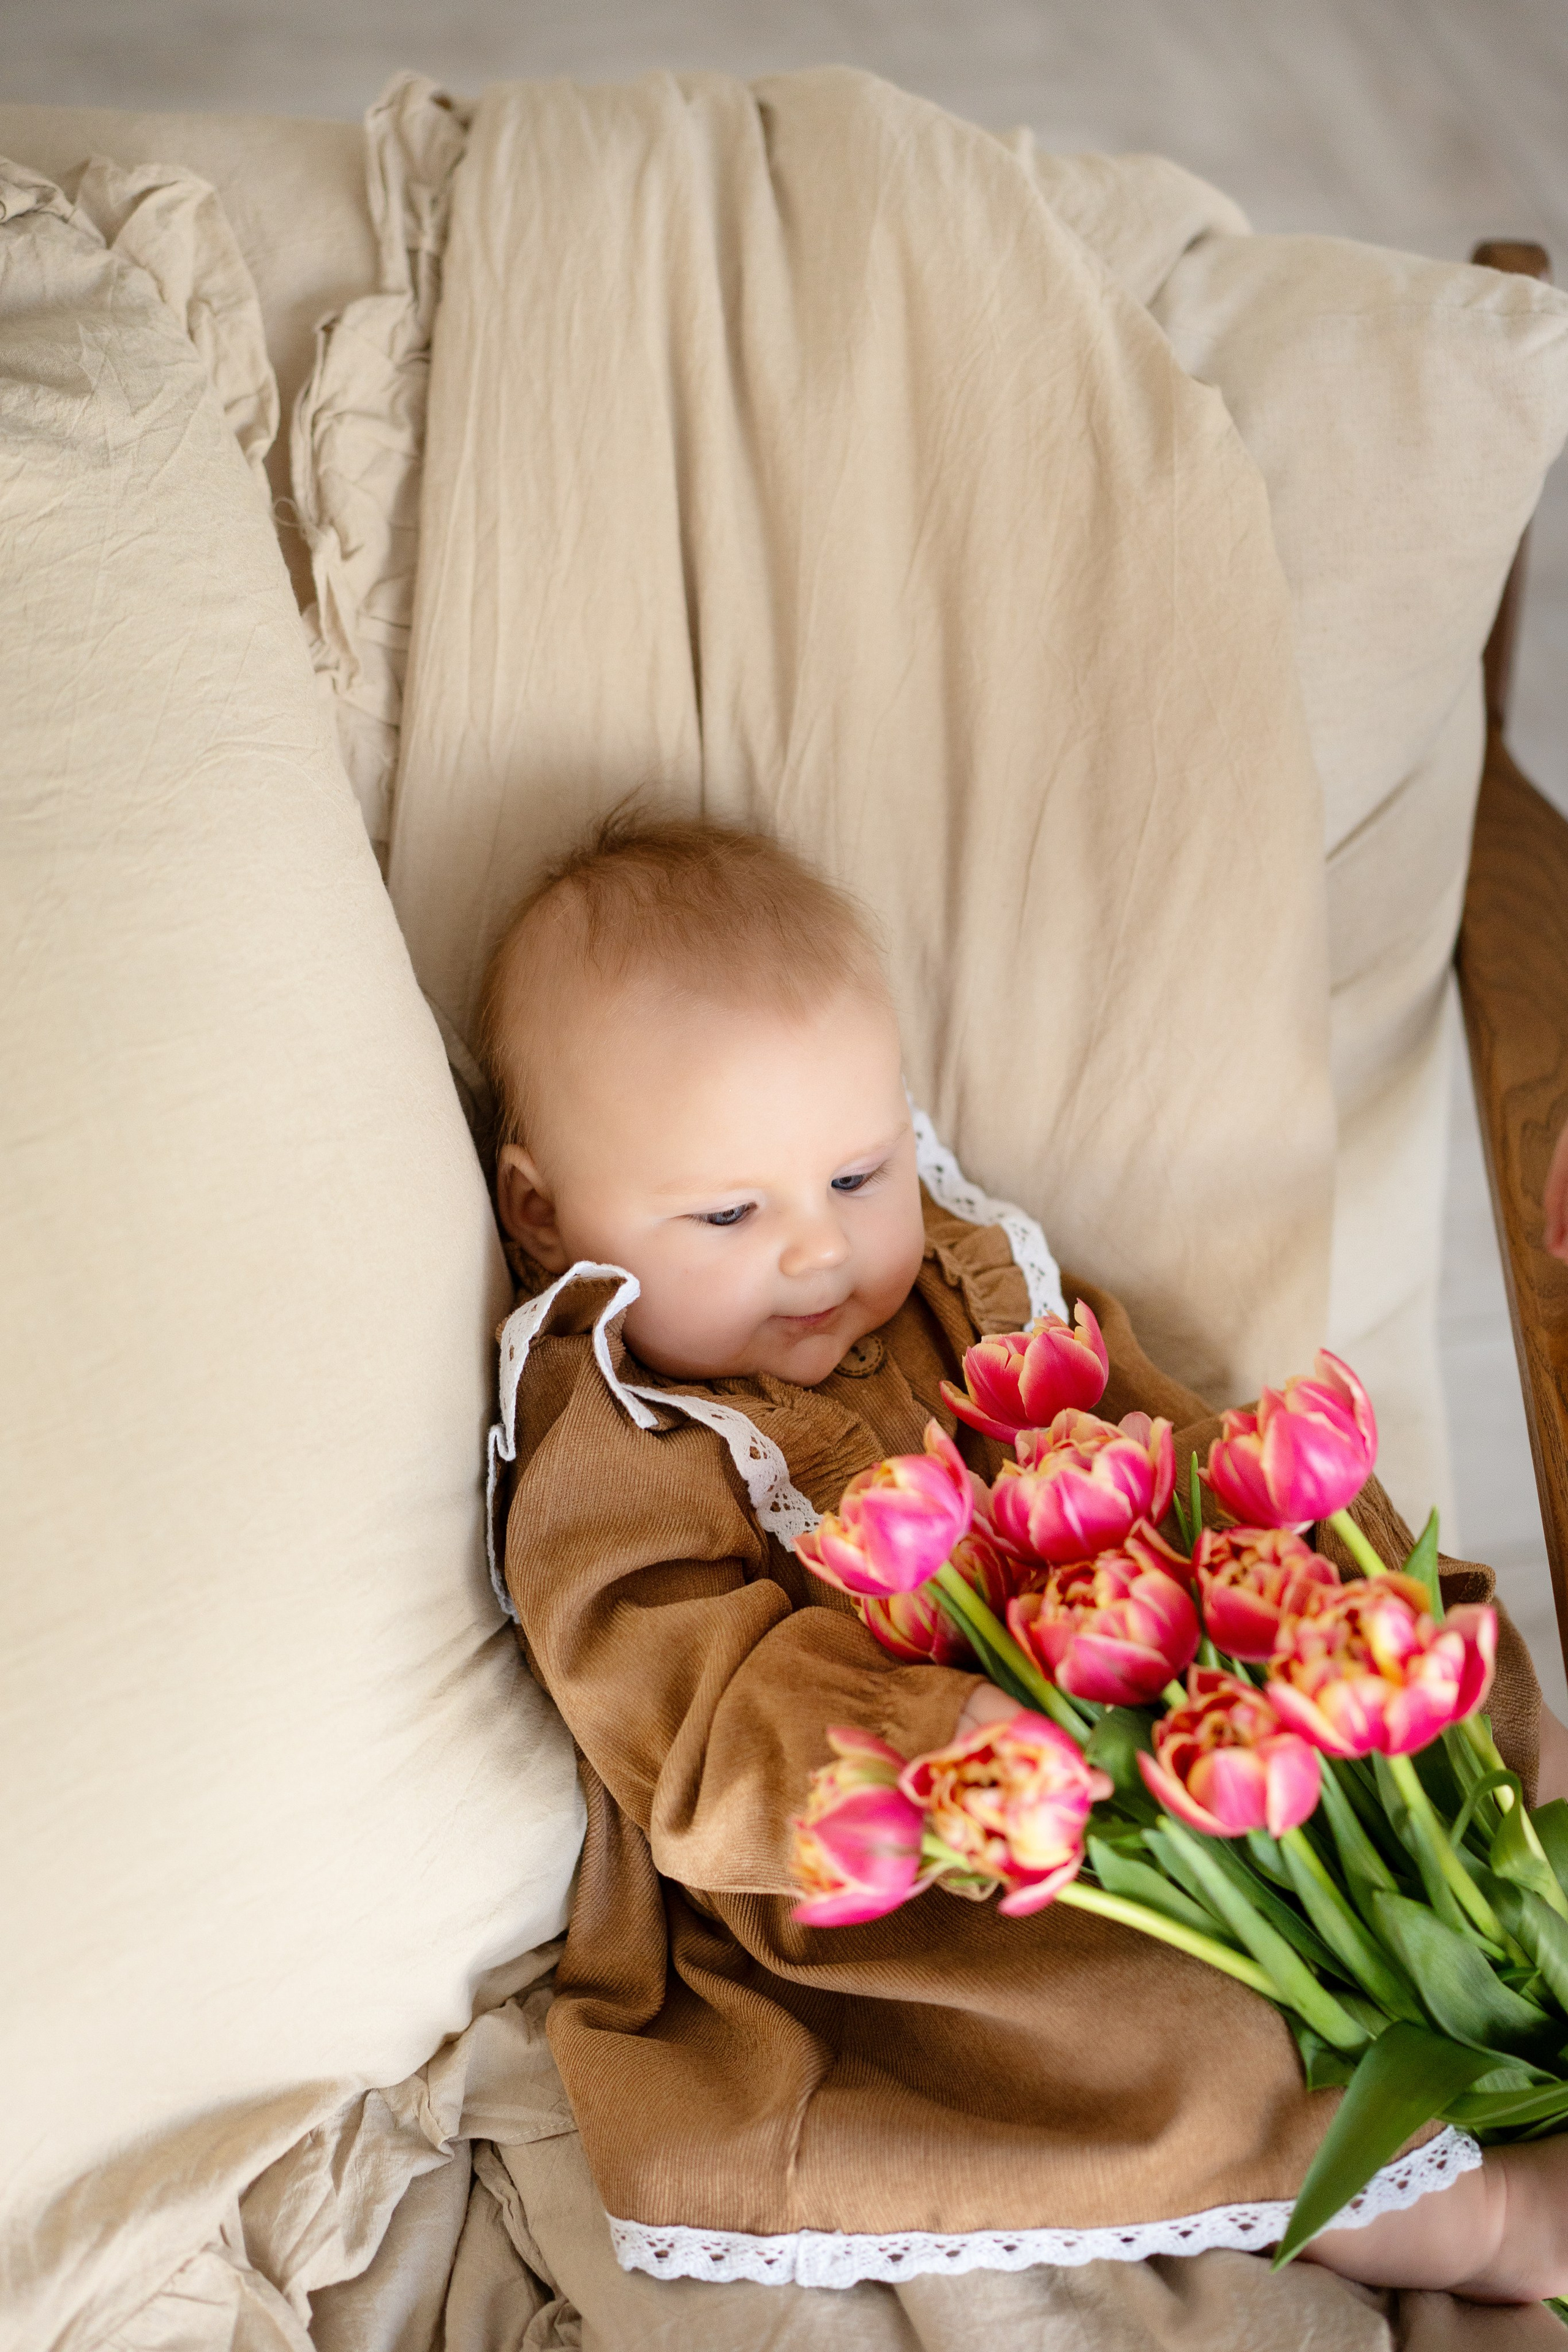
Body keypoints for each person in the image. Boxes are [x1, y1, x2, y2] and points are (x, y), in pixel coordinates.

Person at [483, 810, 1568, 2302]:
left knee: (1430, 1685)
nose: (815, 1251)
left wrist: (1267, 1558)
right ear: (543, 1213)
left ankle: (1524, 1892)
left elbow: (1145, 1438)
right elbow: (680, 1708)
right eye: (730, 1212)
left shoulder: (964, 1281)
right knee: (1162, 2024)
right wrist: (942, 1751)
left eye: (856, 1175)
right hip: (912, 1892)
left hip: (1154, 1700)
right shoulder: (618, 1444)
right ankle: (1471, 2224)